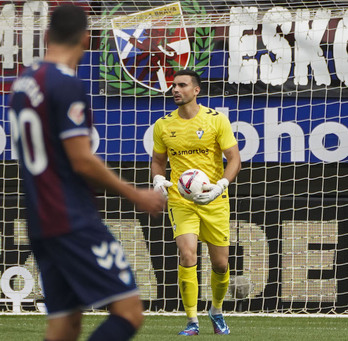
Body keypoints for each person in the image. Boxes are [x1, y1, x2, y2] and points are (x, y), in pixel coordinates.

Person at [9, 5, 165, 341]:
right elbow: (81, 160)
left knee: (64, 327)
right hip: (72, 218)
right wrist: (136, 194)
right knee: (129, 312)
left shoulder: (23, 83)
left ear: (47, 35)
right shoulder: (66, 84)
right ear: (87, 37)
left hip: (39, 220)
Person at [151, 69, 241, 336]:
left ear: (196, 90)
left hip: (214, 199)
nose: (175, 89)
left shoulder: (216, 120)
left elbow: (234, 159)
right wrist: (158, 179)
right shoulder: (163, 125)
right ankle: (192, 321)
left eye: (181, 85)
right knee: (188, 254)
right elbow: (158, 161)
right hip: (181, 200)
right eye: (173, 85)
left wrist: (221, 185)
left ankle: (216, 310)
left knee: (221, 264)